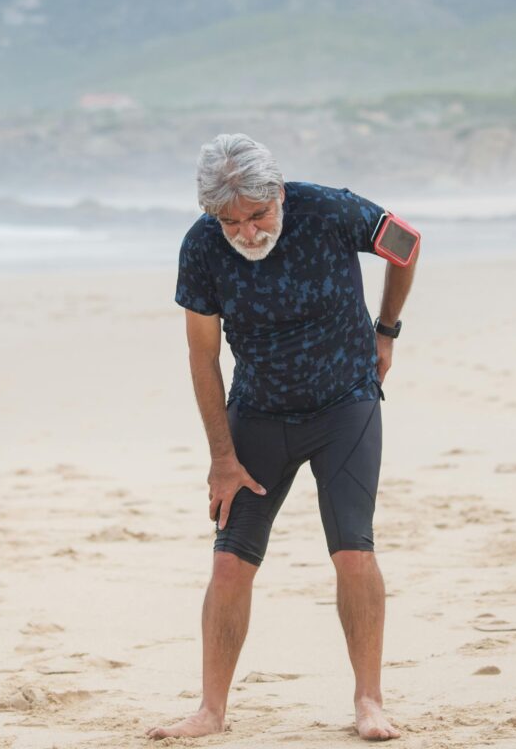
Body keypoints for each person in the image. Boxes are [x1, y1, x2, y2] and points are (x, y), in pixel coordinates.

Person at [148, 134, 418, 741]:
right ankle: (210, 710)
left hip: (344, 406)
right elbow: (202, 355)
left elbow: (406, 243)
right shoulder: (200, 248)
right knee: (229, 565)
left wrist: (387, 330)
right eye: (230, 221)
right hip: (260, 417)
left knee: (353, 551)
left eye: (258, 214)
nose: (246, 231)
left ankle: (369, 702)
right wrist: (221, 456)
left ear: (279, 193)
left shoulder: (328, 210)